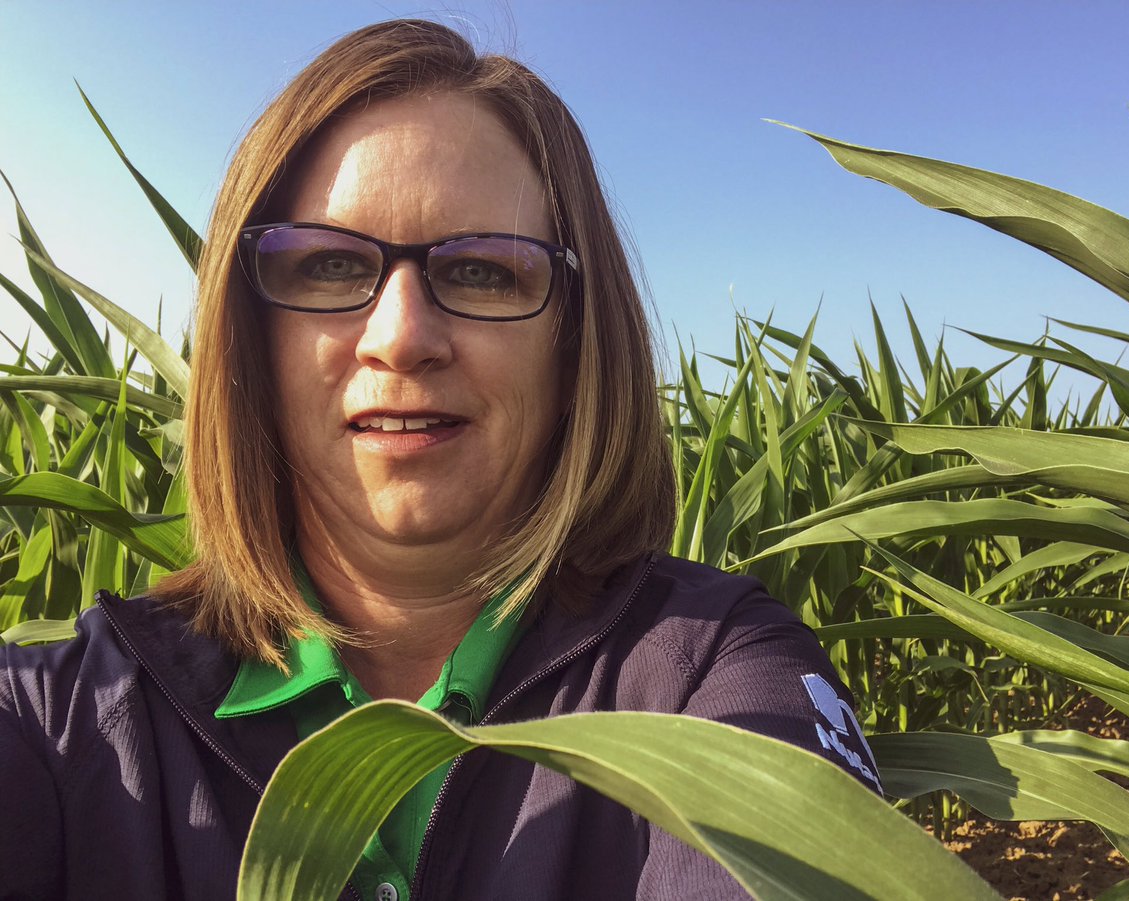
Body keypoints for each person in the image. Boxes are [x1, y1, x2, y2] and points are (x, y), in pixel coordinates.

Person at [0, 19, 880, 901]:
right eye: (330, 265)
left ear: (575, 347)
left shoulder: (718, 677)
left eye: (485, 272)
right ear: (248, 344)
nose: (403, 337)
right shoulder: (57, 717)